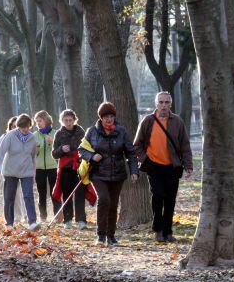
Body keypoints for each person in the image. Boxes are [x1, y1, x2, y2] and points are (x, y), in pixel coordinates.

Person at [133, 91, 193, 243]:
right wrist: (145, 160)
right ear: (156, 104)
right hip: (154, 166)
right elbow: (137, 145)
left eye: (166, 102)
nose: (164, 105)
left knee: (170, 200)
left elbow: (185, 145)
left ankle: (168, 232)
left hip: (173, 167)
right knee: (158, 196)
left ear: (170, 104)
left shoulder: (178, 122)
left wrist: (188, 165)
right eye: (161, 102)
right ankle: (158, 230)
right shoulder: (148, 121)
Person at [79, 102, 139, 246]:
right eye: (106, 116)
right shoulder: (92, 131)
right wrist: (92, 156)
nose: (109, 119)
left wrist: (134, 171)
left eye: (111, 116)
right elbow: (81, 150)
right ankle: (100, 235)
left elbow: (131, 152)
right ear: (101, 117)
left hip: (118, 174)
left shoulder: (121, 131)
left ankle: (111, 236)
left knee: (113, 204)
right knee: (104, 199)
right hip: (98, 174)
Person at [0, 114, 39, 230]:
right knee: (9, 197)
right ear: (18, 127)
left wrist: (33, 172)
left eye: (27, 127)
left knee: (28, 196)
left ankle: (32, 222)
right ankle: (9, 223)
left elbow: (32, 157)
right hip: (10, 171)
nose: (25, 130)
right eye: (23, 127)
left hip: (26, 171)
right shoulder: (10, 136)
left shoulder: (32, 138)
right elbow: (0, 153)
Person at [52, 109, 88, 228]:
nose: (68, 122)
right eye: (65, 120)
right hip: (65, 168)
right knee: (67, 194)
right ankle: (67, 220)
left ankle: (81, 220)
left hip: (79, 166)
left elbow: (87, 147)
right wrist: (62, 149)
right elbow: (54, 154)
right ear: (62, 121)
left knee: (80, 193)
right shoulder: (59, 133)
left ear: (74, 120)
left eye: (70, 120)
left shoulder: (80, 131)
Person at [0, 116, 26, 222]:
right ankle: (9, 217)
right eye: (13, 126)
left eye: (17, 126)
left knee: (18, 194)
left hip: (19, 170)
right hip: (4, 171)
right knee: (8, 196)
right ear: (10, 127)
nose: (15, 128)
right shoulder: (4, 137)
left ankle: (18, 217)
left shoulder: (24, 139)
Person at [33, 110, 60, 222]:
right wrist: (37, 147)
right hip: (39, 168)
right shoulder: (34, 135)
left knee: (54, 192)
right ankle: (43, 217)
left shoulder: (55, 133)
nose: (38, 123)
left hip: (53, 167)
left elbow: (58, 152)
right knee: (41, 192)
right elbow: (34, 153)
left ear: (46, 120)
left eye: (40, 121)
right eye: (37, 121)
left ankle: (57, 216)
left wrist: (51, 142)